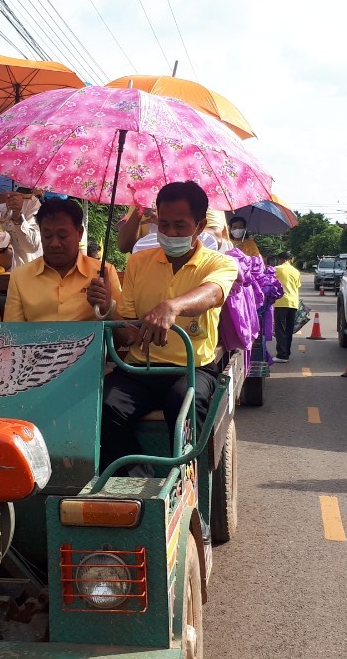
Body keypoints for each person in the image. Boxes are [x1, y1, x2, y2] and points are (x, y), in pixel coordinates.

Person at [100, 181, 239, 475]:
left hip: (192, 369)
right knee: (103, 405)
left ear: (200, 226)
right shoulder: (138, 262)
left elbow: (212, 293)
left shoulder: (221, 263)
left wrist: (172, 307)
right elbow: (124, 328)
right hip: (140, 368)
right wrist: (117, 320)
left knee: (184, 405)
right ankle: (139, 481)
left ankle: (191, 480)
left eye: (180, 225)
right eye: (164, 224)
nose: (171, 233)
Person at [4, 198, 121, 322]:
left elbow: (125, 331)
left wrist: (106, 308)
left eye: (63, 236)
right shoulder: (20, 277)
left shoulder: (103, 274)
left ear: (80, 233)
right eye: (47, 236)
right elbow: (11, 330)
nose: (54, 244)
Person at [272, 251, 301, 362]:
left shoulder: (277, 269)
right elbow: (297, 285)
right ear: (290, 260)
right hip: (293, 302)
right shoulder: (296, 271)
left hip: (281, 302)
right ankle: (286, 353)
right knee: (289, 329)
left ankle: (282, 355)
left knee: (280, 329)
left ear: (280, 260)